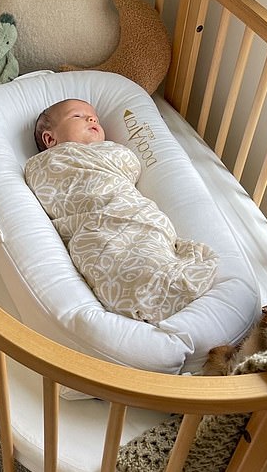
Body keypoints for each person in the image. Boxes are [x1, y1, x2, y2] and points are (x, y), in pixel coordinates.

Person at [25, 98, 218, 324]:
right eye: (77, 116)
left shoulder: (110, 151)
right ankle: (144, 289)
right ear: (50, 138)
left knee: (149, 244)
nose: (91, 118)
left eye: (94, 116)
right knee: (104, 250)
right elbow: (43, 185)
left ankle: (159, 279)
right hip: (91, 224)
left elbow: (129, 165)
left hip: (130, 212)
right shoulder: (45, 163)